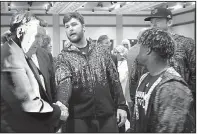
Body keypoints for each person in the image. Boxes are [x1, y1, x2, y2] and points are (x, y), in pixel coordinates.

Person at [55, 12, 127, 133]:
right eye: (67, 27)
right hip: (79, 120)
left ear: (83, 27)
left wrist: (122, 106)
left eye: (74, 24)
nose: (70, 29)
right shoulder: (63, 57)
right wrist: (62, 105)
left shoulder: (101, 51)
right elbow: (64, 83)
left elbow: (114, 80)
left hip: (106, 117)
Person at [1, 11, 68, 132]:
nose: (41, 42)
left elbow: (50, 90)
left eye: (42, 36)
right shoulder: (6, 56)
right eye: (36, 36)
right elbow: (23, 104)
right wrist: (58, 112)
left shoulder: (44, 55)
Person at [129, 7, 196, 111]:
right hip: (149, 104)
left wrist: (188, 100)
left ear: (169, 22)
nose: (154, 25)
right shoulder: (147, 46)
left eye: (158, 21)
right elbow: (135, 76)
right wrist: (136, 101)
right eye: (151, 22)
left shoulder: (186, 44)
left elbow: (195, 74)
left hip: (179, 104)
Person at [131, 28, 195, 132]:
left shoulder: (173, 87)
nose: (137, 49)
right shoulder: (144, 77)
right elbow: (138, 119)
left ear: (148, 50)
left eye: (141, 45)